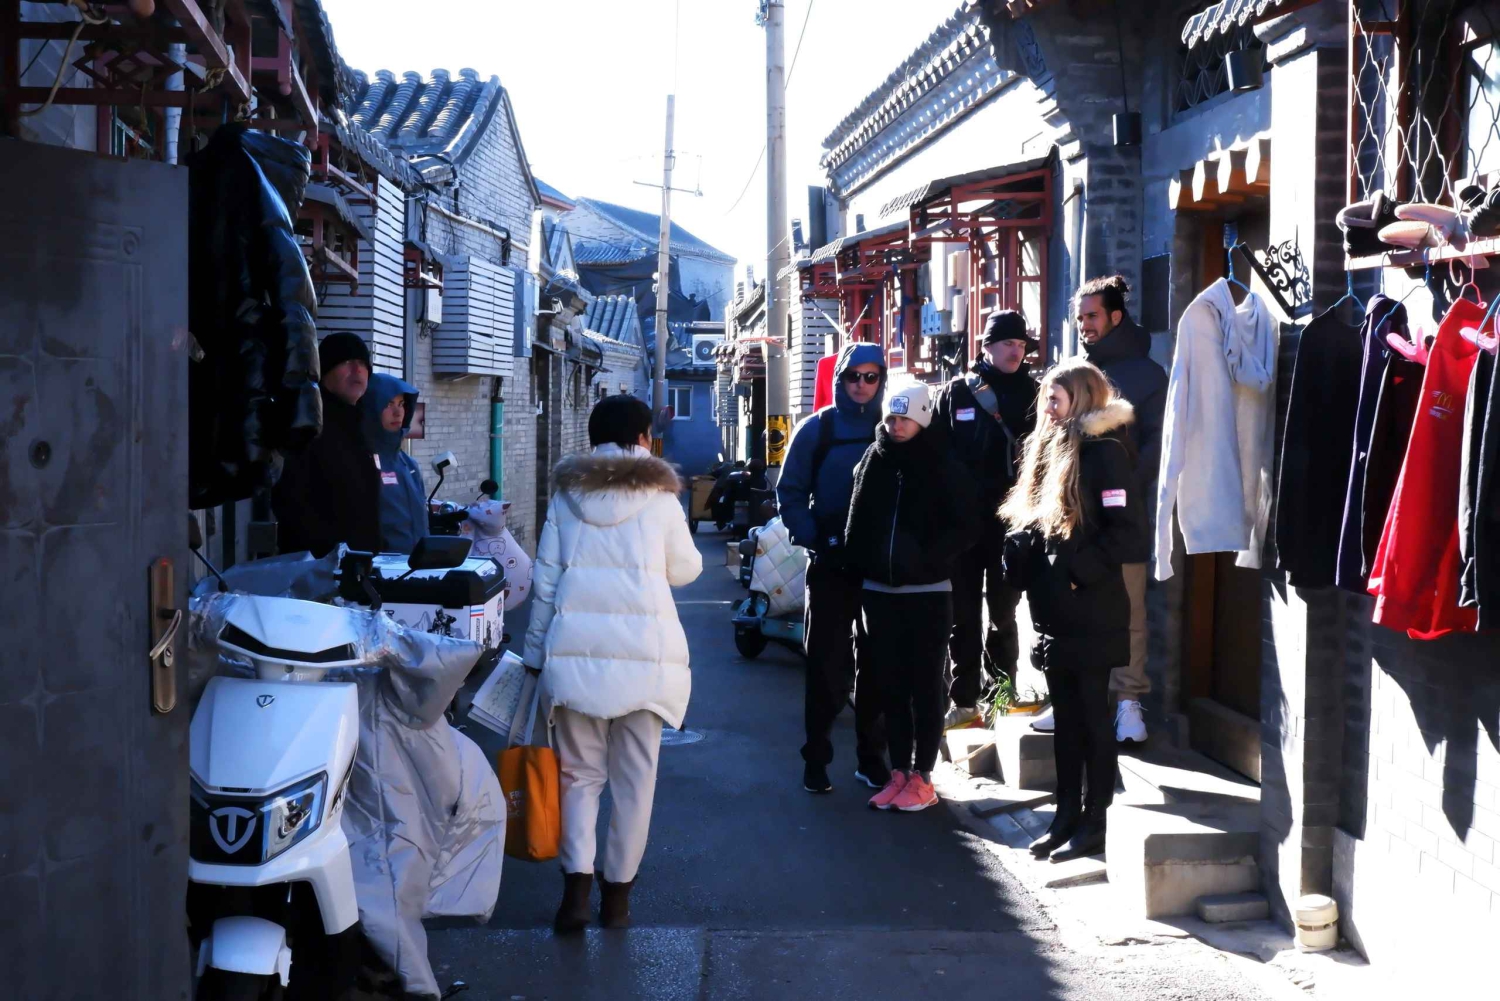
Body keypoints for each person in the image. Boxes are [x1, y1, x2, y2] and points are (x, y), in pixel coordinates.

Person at [524, 394, 703, 934]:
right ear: (643, 437)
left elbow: (545, 582)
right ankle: (618, 900)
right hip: (646, 664)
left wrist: (534, 657)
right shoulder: (661, 497)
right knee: (635, 783)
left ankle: (575, 896)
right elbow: (687, 571)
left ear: (593, 437)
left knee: (579, 779)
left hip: (575, 659)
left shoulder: (566, 495)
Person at [1000, 359, 1149, 862]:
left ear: (1082, 398)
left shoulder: (1104, 452)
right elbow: (1048, 526)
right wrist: (1025, 547)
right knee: (1066, 719)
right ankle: (1066, 816)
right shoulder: (1048, 448)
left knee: (1090, 717)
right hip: (1057, 611)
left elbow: (1124, 532)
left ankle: (1096, 820)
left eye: (1056, 397)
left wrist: (1074, 568)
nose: (1047, 406)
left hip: (1092, 607)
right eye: (1045, 397)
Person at [1043, 274, 1168, 746]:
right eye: (1079, 318)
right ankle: (1067, 696)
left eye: (1092, 316)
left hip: (1122, 514)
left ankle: (1130, 703)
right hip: (1069, 512)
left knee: (1130, 608)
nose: (1084, 326)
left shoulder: (1147, 374)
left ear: (1116, 316)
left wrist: (1126, 492)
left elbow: (1158, 443)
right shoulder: (1074, 370)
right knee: (1068, 603)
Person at [845, 381, 979, 813]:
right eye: (891, 417)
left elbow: (966, 526)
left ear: (922, 418)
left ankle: (924, 775)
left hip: (928, 591)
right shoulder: (874, 458)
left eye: (905, 418)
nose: (896, 426)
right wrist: (861, 563)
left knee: (925, 685)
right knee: (890, 685)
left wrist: (925, 560)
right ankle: (899, 771)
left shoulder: (944, 462)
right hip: (878, 593)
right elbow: (857, 517)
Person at [777, 342, 890, 795]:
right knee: (825, 664)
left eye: (871, 377)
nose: (862, 385)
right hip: (829, 563)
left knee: (878, 665)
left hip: (882, 566)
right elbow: (790, 493)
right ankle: (816, 757)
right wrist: (815, 537)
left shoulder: (894, 427)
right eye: (853, 376)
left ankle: (871, 758)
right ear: (840, 379)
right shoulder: (818, 429)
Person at [931, 310, 1039, 729]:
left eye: (1020, 344)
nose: (1015, 351)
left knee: (1004, 613)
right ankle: (964, 700)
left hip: (1011, 524)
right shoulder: (957, 393)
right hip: (961, 526)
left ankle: (1001, 697)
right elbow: (935, 457)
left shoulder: (1035, 394)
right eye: (1007, 343)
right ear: (986, 346)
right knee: (962, 615)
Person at [272, 331, 381, 557]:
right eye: (347, 362)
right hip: (318, 572)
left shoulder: (361, 427)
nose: (357, 370)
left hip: (361, 568)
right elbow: (292, 502)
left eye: (362, 363)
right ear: (325, 370)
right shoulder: (308, 423)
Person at [360, 373, 428, 554]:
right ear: (372, 407)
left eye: (401, 404)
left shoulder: (409, 464)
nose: (398, 412)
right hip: (379, 572)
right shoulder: (359, 461)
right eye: (389, 404)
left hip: (416, 570)